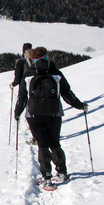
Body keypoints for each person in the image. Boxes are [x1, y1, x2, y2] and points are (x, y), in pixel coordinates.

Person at [23, 47, 88, 183]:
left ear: (33, 58)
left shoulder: (29, 74)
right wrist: (80, 105)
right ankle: (62, 173)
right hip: (54, 113)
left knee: (42, 145)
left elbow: (22, 97)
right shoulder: (56, 73)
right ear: (46, 57)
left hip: (33, 115)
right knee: (55, 144)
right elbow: (67, 93)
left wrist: (17, 114)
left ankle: (46, 177)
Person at [10, 42, 36, 145]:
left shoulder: (21, 62)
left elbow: (18, 77)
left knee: (28, 109)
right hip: (37, 86)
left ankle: (35, 136)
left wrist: (13, 84)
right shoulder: (36, 60)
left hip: (24, 86)